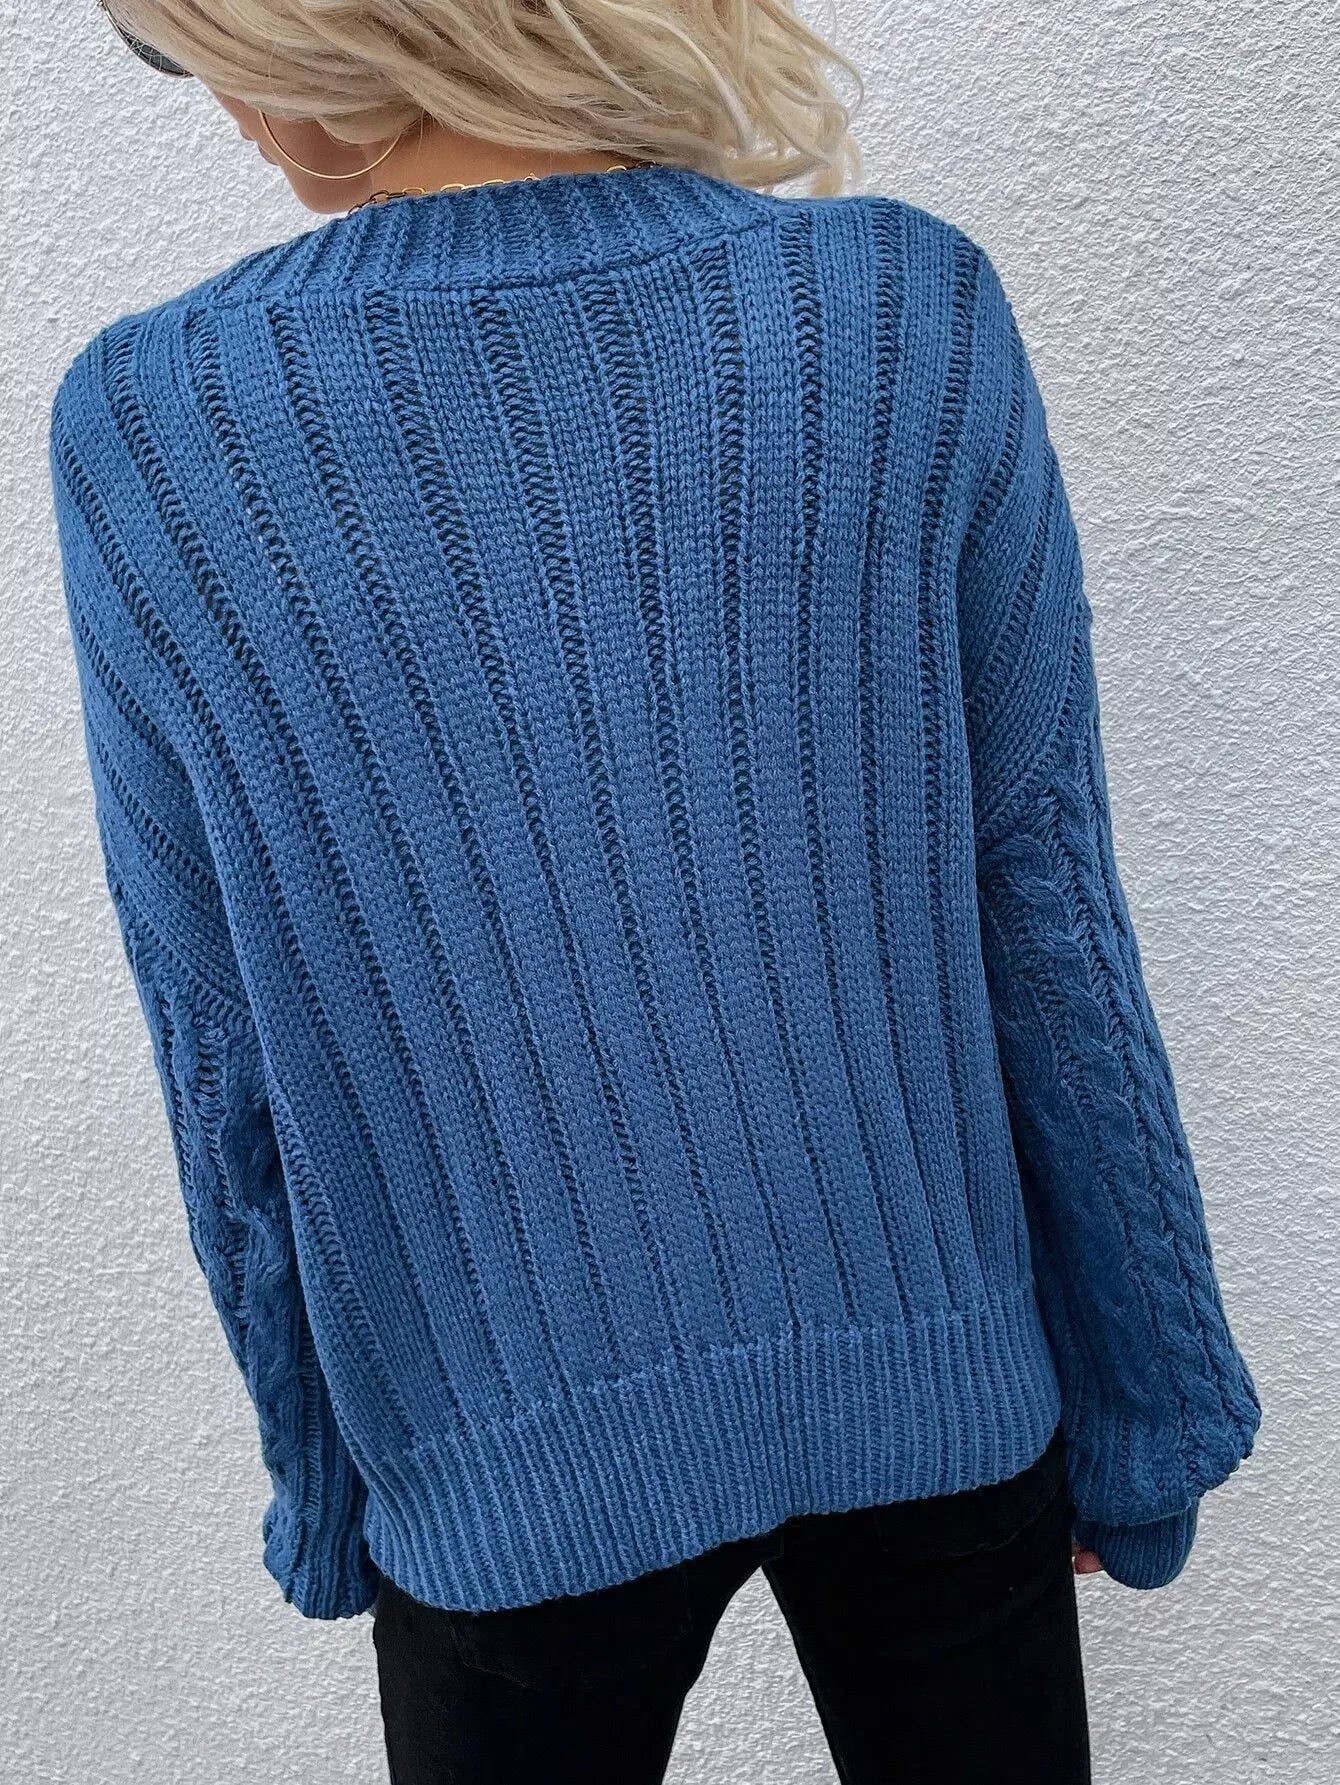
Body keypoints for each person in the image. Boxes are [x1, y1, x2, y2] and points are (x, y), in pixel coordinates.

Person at [52, 5, 1262, 1781]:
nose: (212, 97)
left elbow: (217, 1043)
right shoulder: (899, 311)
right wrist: (1146, 1399)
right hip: (939, 1388)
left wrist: (319, 1478)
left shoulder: (154, 431)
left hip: (496, 1462)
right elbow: (1047, 911)